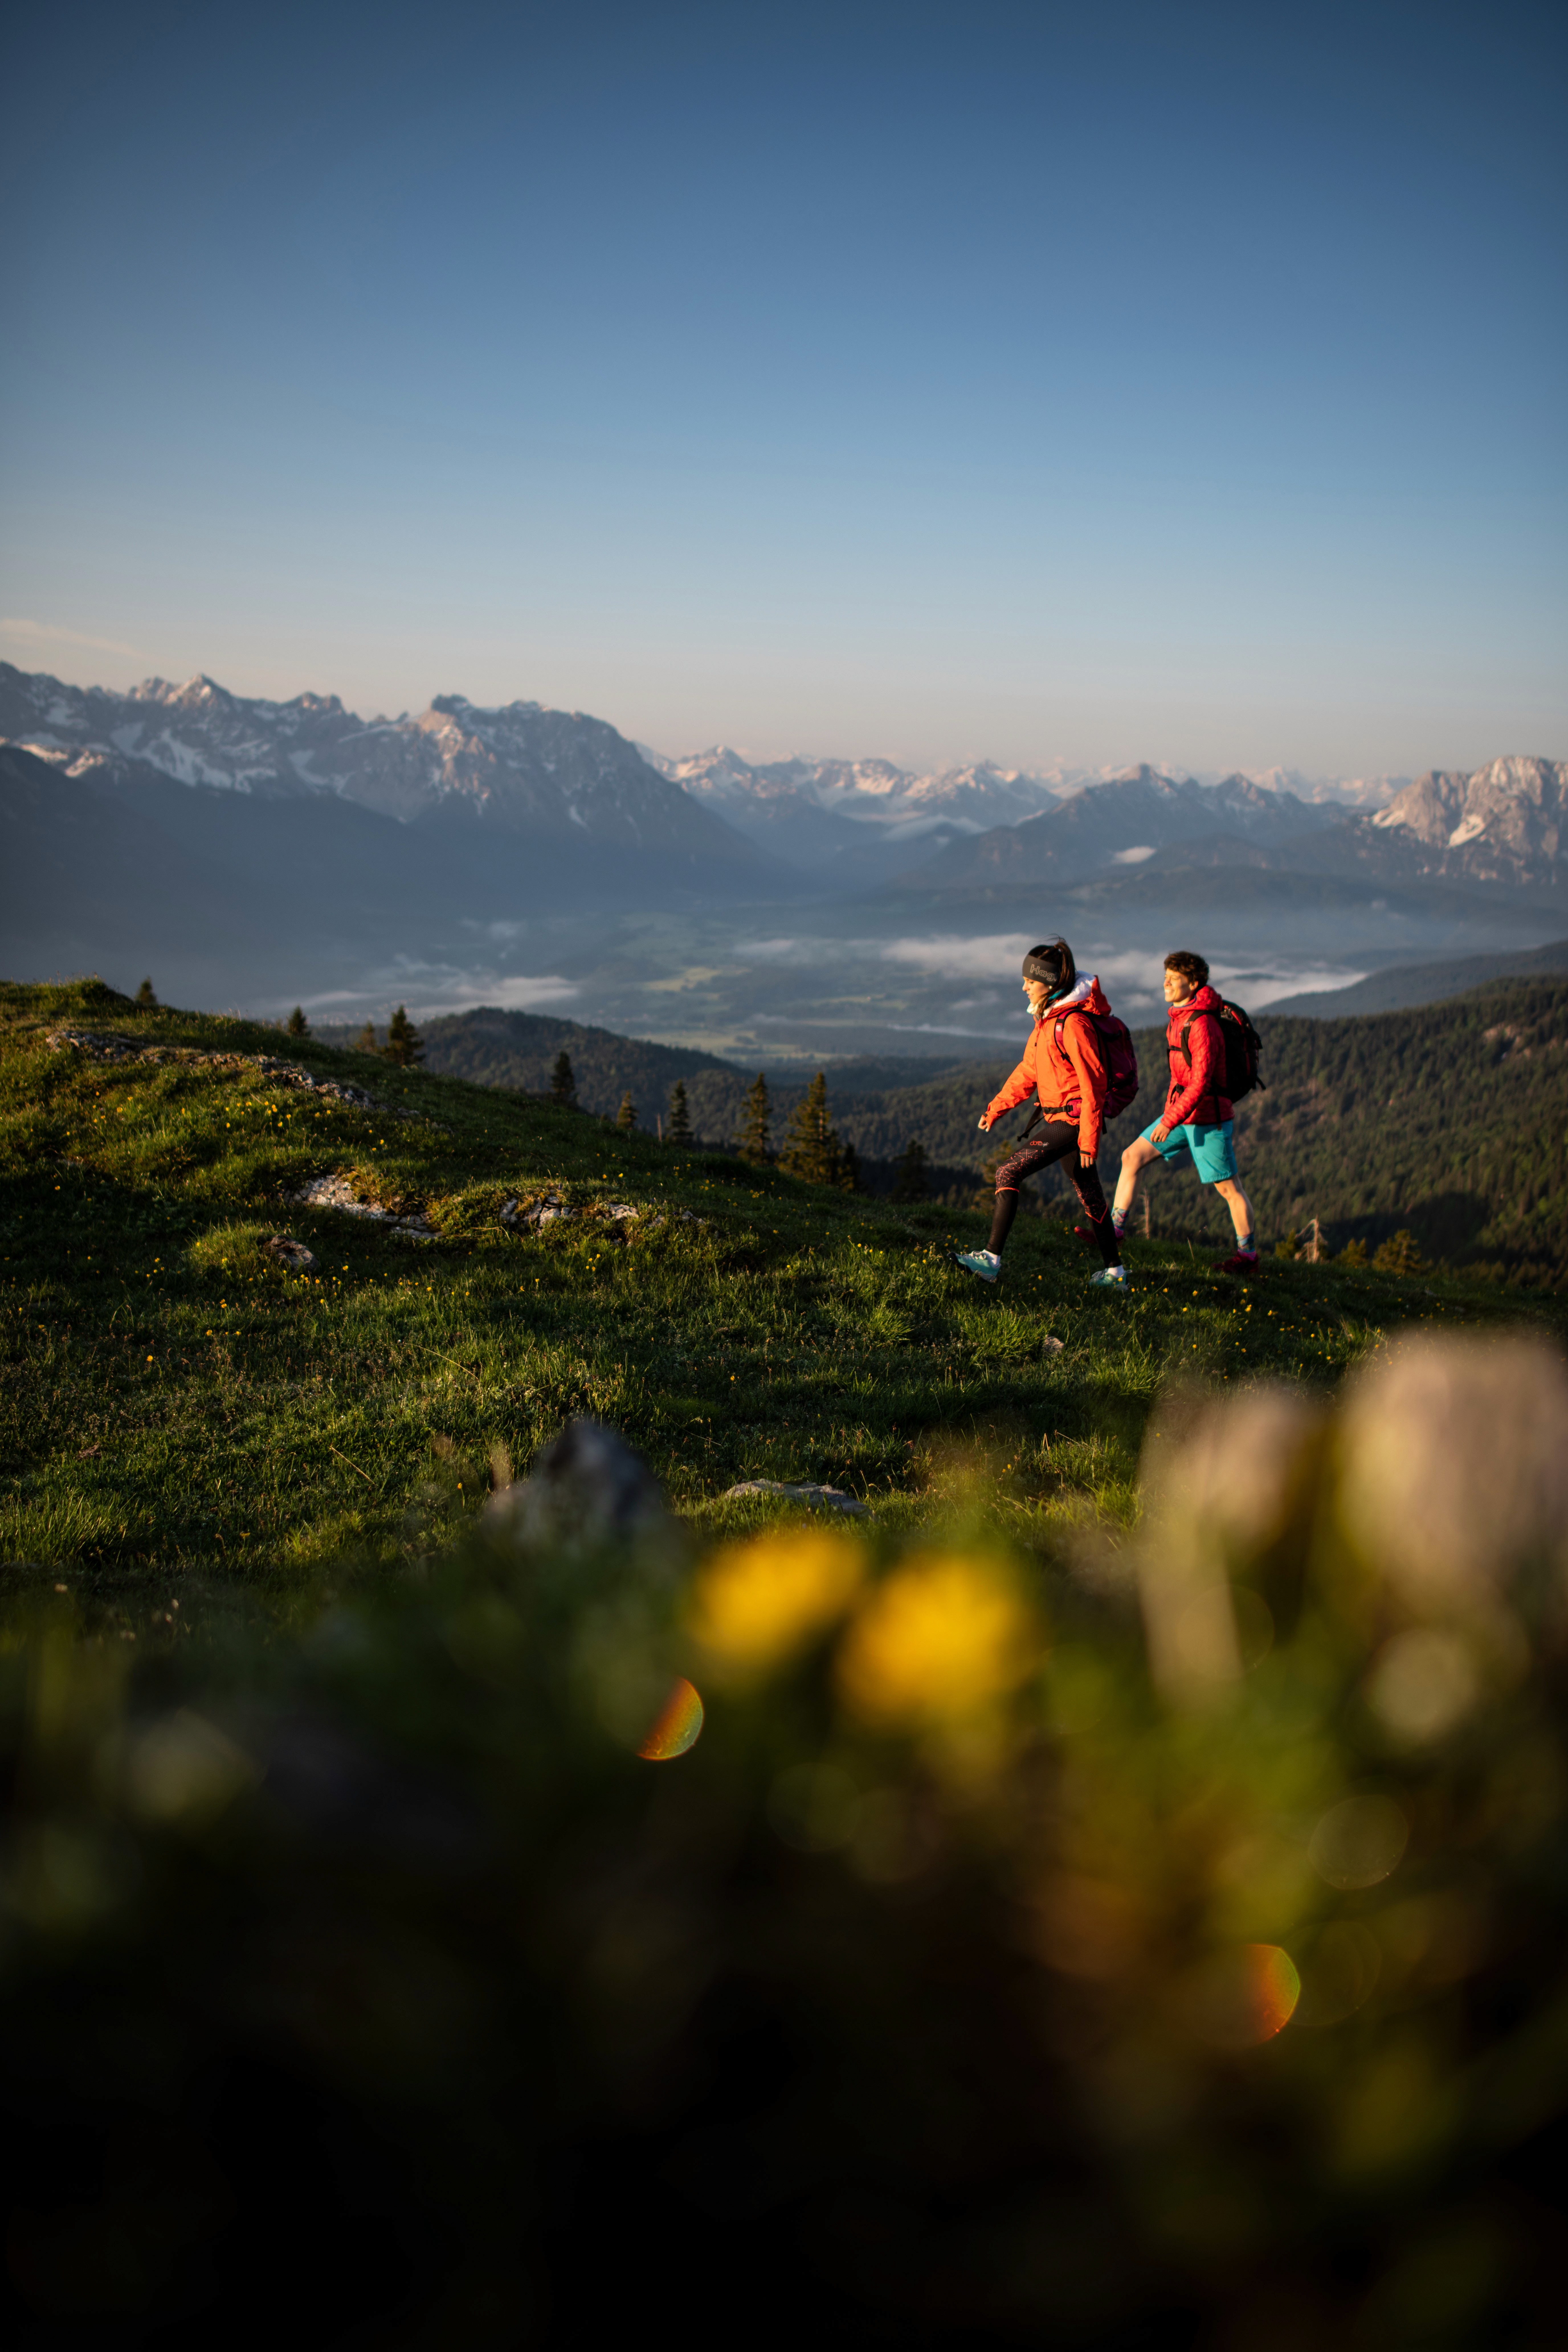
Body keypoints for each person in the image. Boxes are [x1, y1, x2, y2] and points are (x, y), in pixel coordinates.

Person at [956, 940, 1126, 1288]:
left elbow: (1093, 1086)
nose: (1023, 987)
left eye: (1029, 981)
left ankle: (989, 1262)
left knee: (1007, 1173)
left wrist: (1088, 1142)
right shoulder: (1048, 1020)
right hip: (1057, 1118)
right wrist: (996, 1108)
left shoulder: (1073, 1024)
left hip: (1073, 1122)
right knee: (1089, 1193)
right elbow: (1028, 1071)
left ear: (1048, 984)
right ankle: (1115, 1274)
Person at [1113, 950, 1257, 1275]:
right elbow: (1180, 1079)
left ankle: (1247, 1257)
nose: (1165, 983)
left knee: (1230, 1190)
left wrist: (1168, 1120)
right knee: (1131, 1157)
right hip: (1182, 1115)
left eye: (1173, 979)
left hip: (1207, 1118)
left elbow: (1201, 1082)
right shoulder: (1180, 1016)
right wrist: (1171, 1115)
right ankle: (1114, 1233)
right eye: (1165, 976)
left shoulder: (1202, 1024)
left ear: (1192, 984)